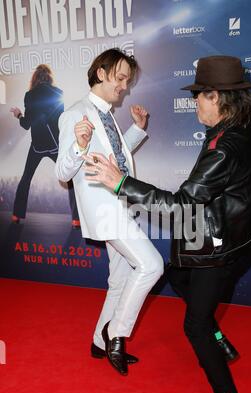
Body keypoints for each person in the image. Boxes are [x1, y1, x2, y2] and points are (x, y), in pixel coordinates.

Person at [83, 55, 251, 393]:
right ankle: (220, 339)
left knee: (195, 325)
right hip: (233, 237)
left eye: (199, 95)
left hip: (219, 247)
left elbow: (181, 204)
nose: (194, 102)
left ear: (217, 97)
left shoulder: (225, 146)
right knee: (176, 274)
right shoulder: (245, 126)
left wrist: (121, 183)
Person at [55, 48, 164, 376]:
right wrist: (78, 146)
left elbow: (112, 155)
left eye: (127, 80)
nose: (124, 86)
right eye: (119, 78)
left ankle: (99, 342)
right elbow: (63, 172)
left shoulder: (106, 114)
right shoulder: (75, 114)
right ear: (100, 73)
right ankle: (116, 334)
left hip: (123, 205)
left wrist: (136, 130)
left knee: (119, 280)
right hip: (106, 211)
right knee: (151, 265)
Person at [10, 64, 79, 228]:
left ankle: (16, 215)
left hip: (37, 146)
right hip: (55, 145)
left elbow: (26, 124)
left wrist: (18, 114)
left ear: (35, 78)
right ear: (49, 77)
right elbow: (61, 121)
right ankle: (76, 218)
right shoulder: (58, 93)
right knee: (70, 179)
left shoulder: (30, 95)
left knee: (26, 178)